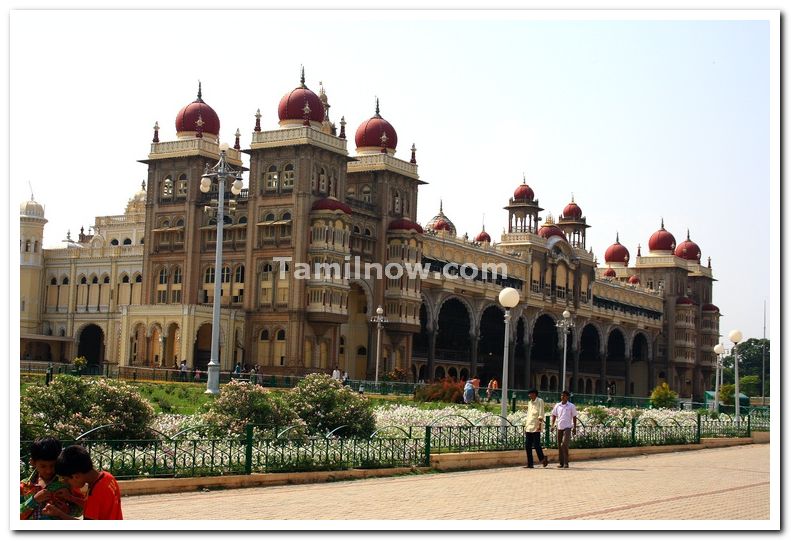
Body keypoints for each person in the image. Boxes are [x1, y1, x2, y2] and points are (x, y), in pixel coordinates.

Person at [42, 445, 123, 520]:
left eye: (66, 480)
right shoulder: (108, 477)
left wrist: (60, 514)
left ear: (76, 476)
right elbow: (94, 506)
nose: (67, 483)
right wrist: (71, 498)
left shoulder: (95, 493)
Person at [20, 437, 84, 520]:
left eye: (53, 465)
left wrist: (68, 510)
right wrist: (34, 500)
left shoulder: (68, 483)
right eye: (43, 466)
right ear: (33, 462)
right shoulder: (24, 485)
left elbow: (81, 509)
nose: (48, 470)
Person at [550, 390, 578, 468]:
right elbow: (554, 415)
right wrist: (552, 425)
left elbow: (574, 417)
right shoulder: (557, 405)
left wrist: (574, 427)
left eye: (564, 396)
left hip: (568, 427)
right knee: (559, 445)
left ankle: (566, 462)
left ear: (567, 397)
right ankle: (561, 462)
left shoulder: (571, 406)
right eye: (562, 395)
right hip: (560, 427)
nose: (563, 397)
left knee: (564, 444)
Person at [523, 389, 549, 468]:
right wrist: (526, 426)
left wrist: (539, 425)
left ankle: (542, 459)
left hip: (536, 426)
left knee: (537, 445)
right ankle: (530, 463)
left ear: (534, 394)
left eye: (530, 394)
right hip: (529, 426)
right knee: (527, 445)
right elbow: (529, 415)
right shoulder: (529, 403)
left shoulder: (540, 401)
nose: (529, 396)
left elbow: (541, 413)